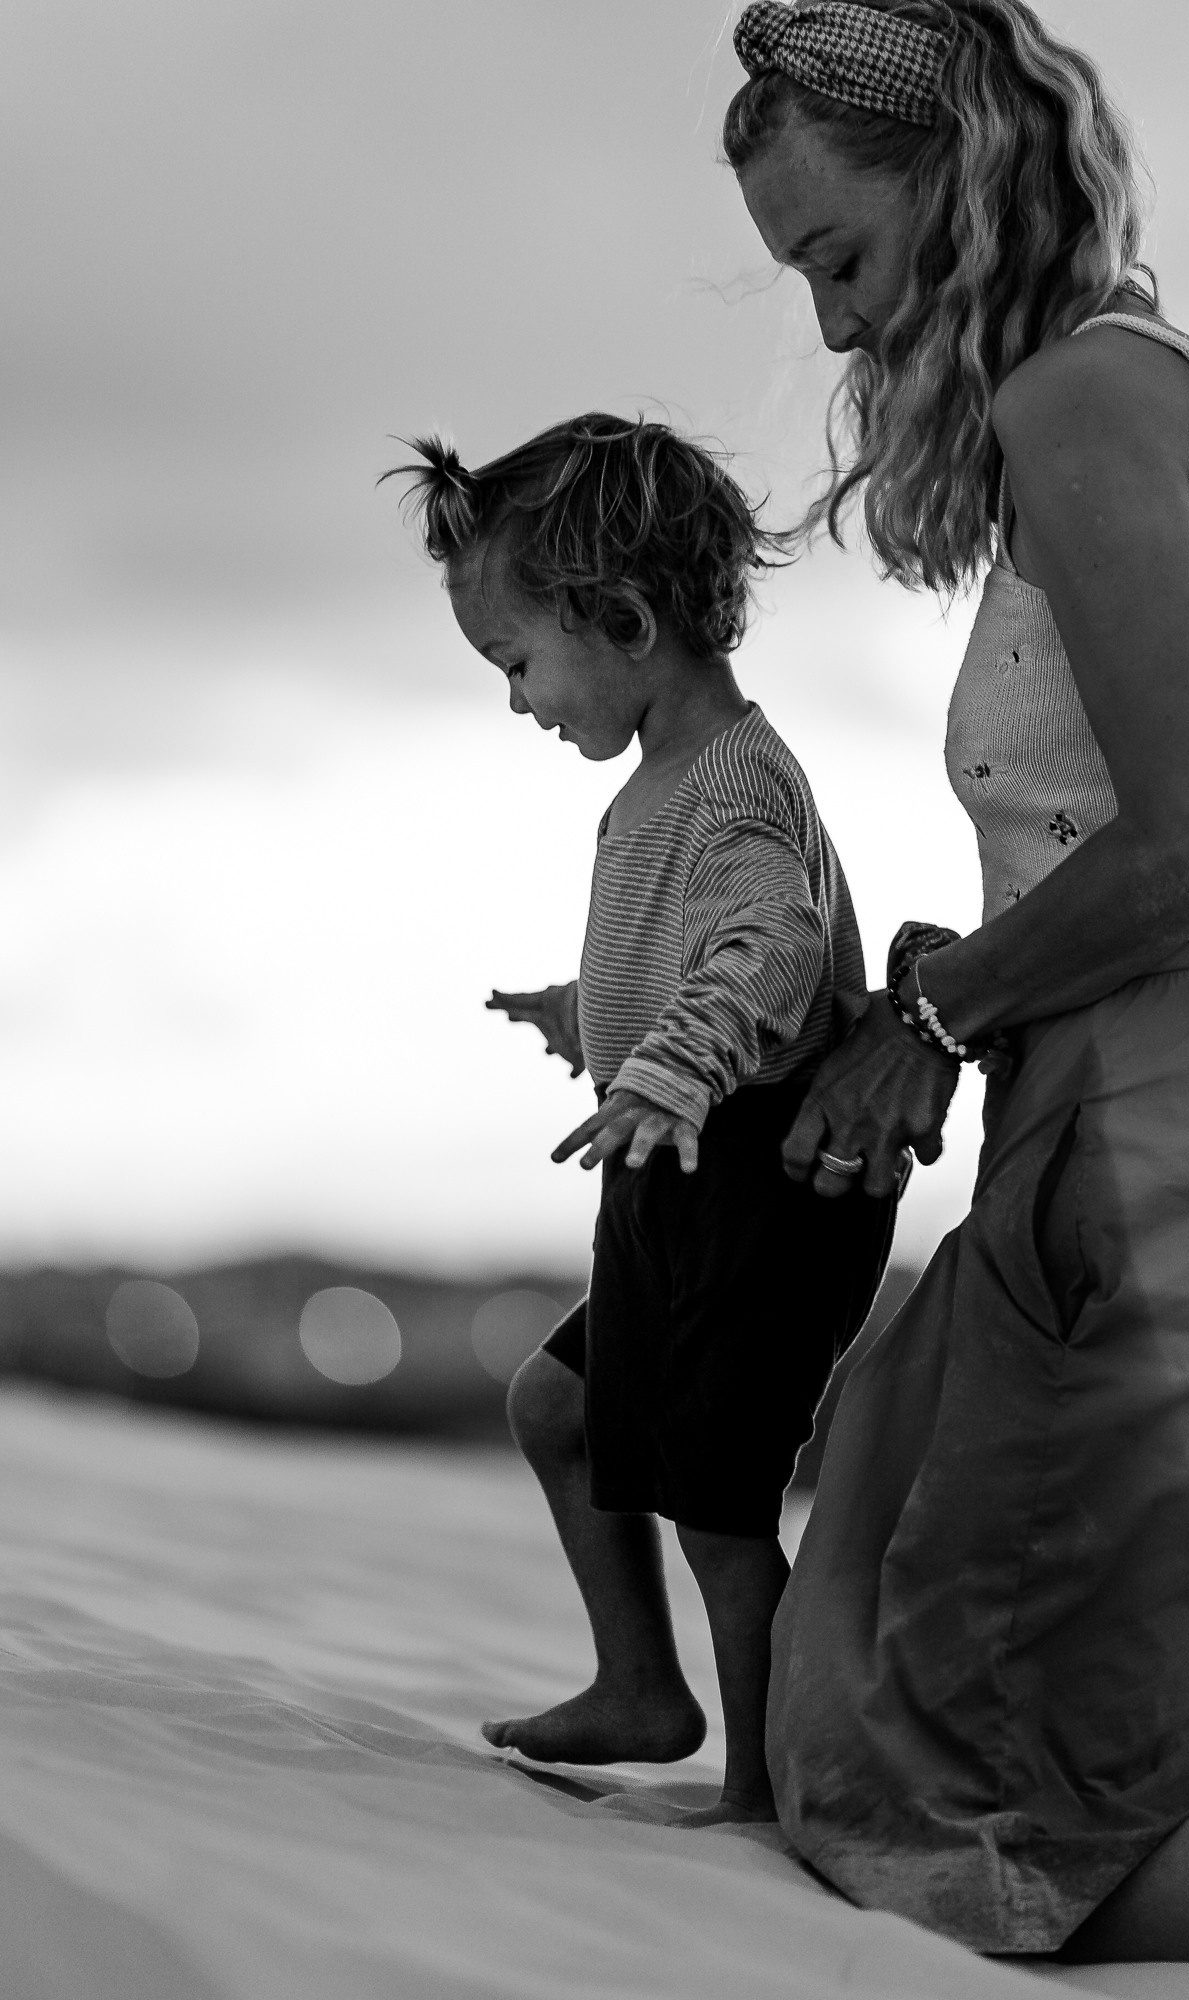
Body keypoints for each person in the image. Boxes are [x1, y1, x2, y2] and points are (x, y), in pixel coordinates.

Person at [721, 0, 1189, 1978]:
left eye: (837, 256)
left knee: (974, 1810)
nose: (827, 325)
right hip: (1180, 1099)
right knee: (1044, 1735)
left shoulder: (1081, 401)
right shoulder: (1141, 387)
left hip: (1157, 1134)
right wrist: (957, 980)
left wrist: (925, 1022)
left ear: (956, 182)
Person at [386, 415, 901, 1822]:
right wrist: (587, 1015)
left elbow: (767, 950)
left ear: (619, 619)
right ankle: (639, 1687)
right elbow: (697, 959)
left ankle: (765, 1785)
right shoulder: (658, 784)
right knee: (556, 1403)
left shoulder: (734, 784)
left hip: (755, 1182)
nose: (516, 701)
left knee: (721, 1504)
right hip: (679, 1166)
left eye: (516, 662)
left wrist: (670, 1065)